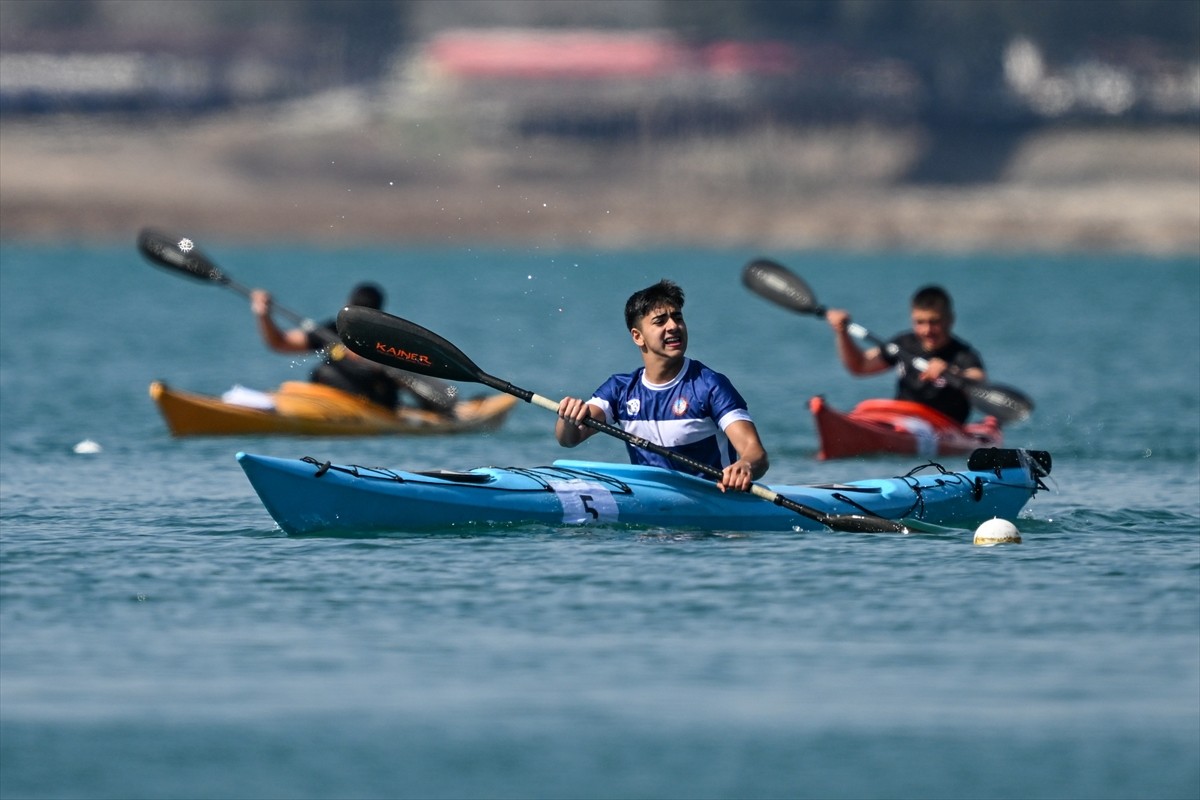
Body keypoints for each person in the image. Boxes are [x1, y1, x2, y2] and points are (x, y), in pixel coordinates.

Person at [555, 279, 768, 493]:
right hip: (652, 508)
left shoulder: (709, 386)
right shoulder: (620, 390)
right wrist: (568, 418)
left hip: (712, 504)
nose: (673, 326)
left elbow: (756, 453)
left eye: (677, 318)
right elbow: (568, 439)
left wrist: (745, 465)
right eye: (660, 321)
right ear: (638, 337)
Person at [251, 282, 450, 413]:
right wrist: (263, 315)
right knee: (322, 372)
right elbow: (280, 343)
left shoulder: (386, 340)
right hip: (325, 402)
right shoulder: (332, 330)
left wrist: (371, 359)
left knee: (324, 370)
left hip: (374, 406)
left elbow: (411, 377)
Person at [825, 285, 985, 424]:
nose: (927, 330)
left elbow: (979, 381)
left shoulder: (963, 355)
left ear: (950, 320)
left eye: (934, 322)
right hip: (901, 418)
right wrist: (842, 333)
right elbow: (859, 366)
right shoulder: (903, 344)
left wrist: (949, 371)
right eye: (920, 322)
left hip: (943, 426)